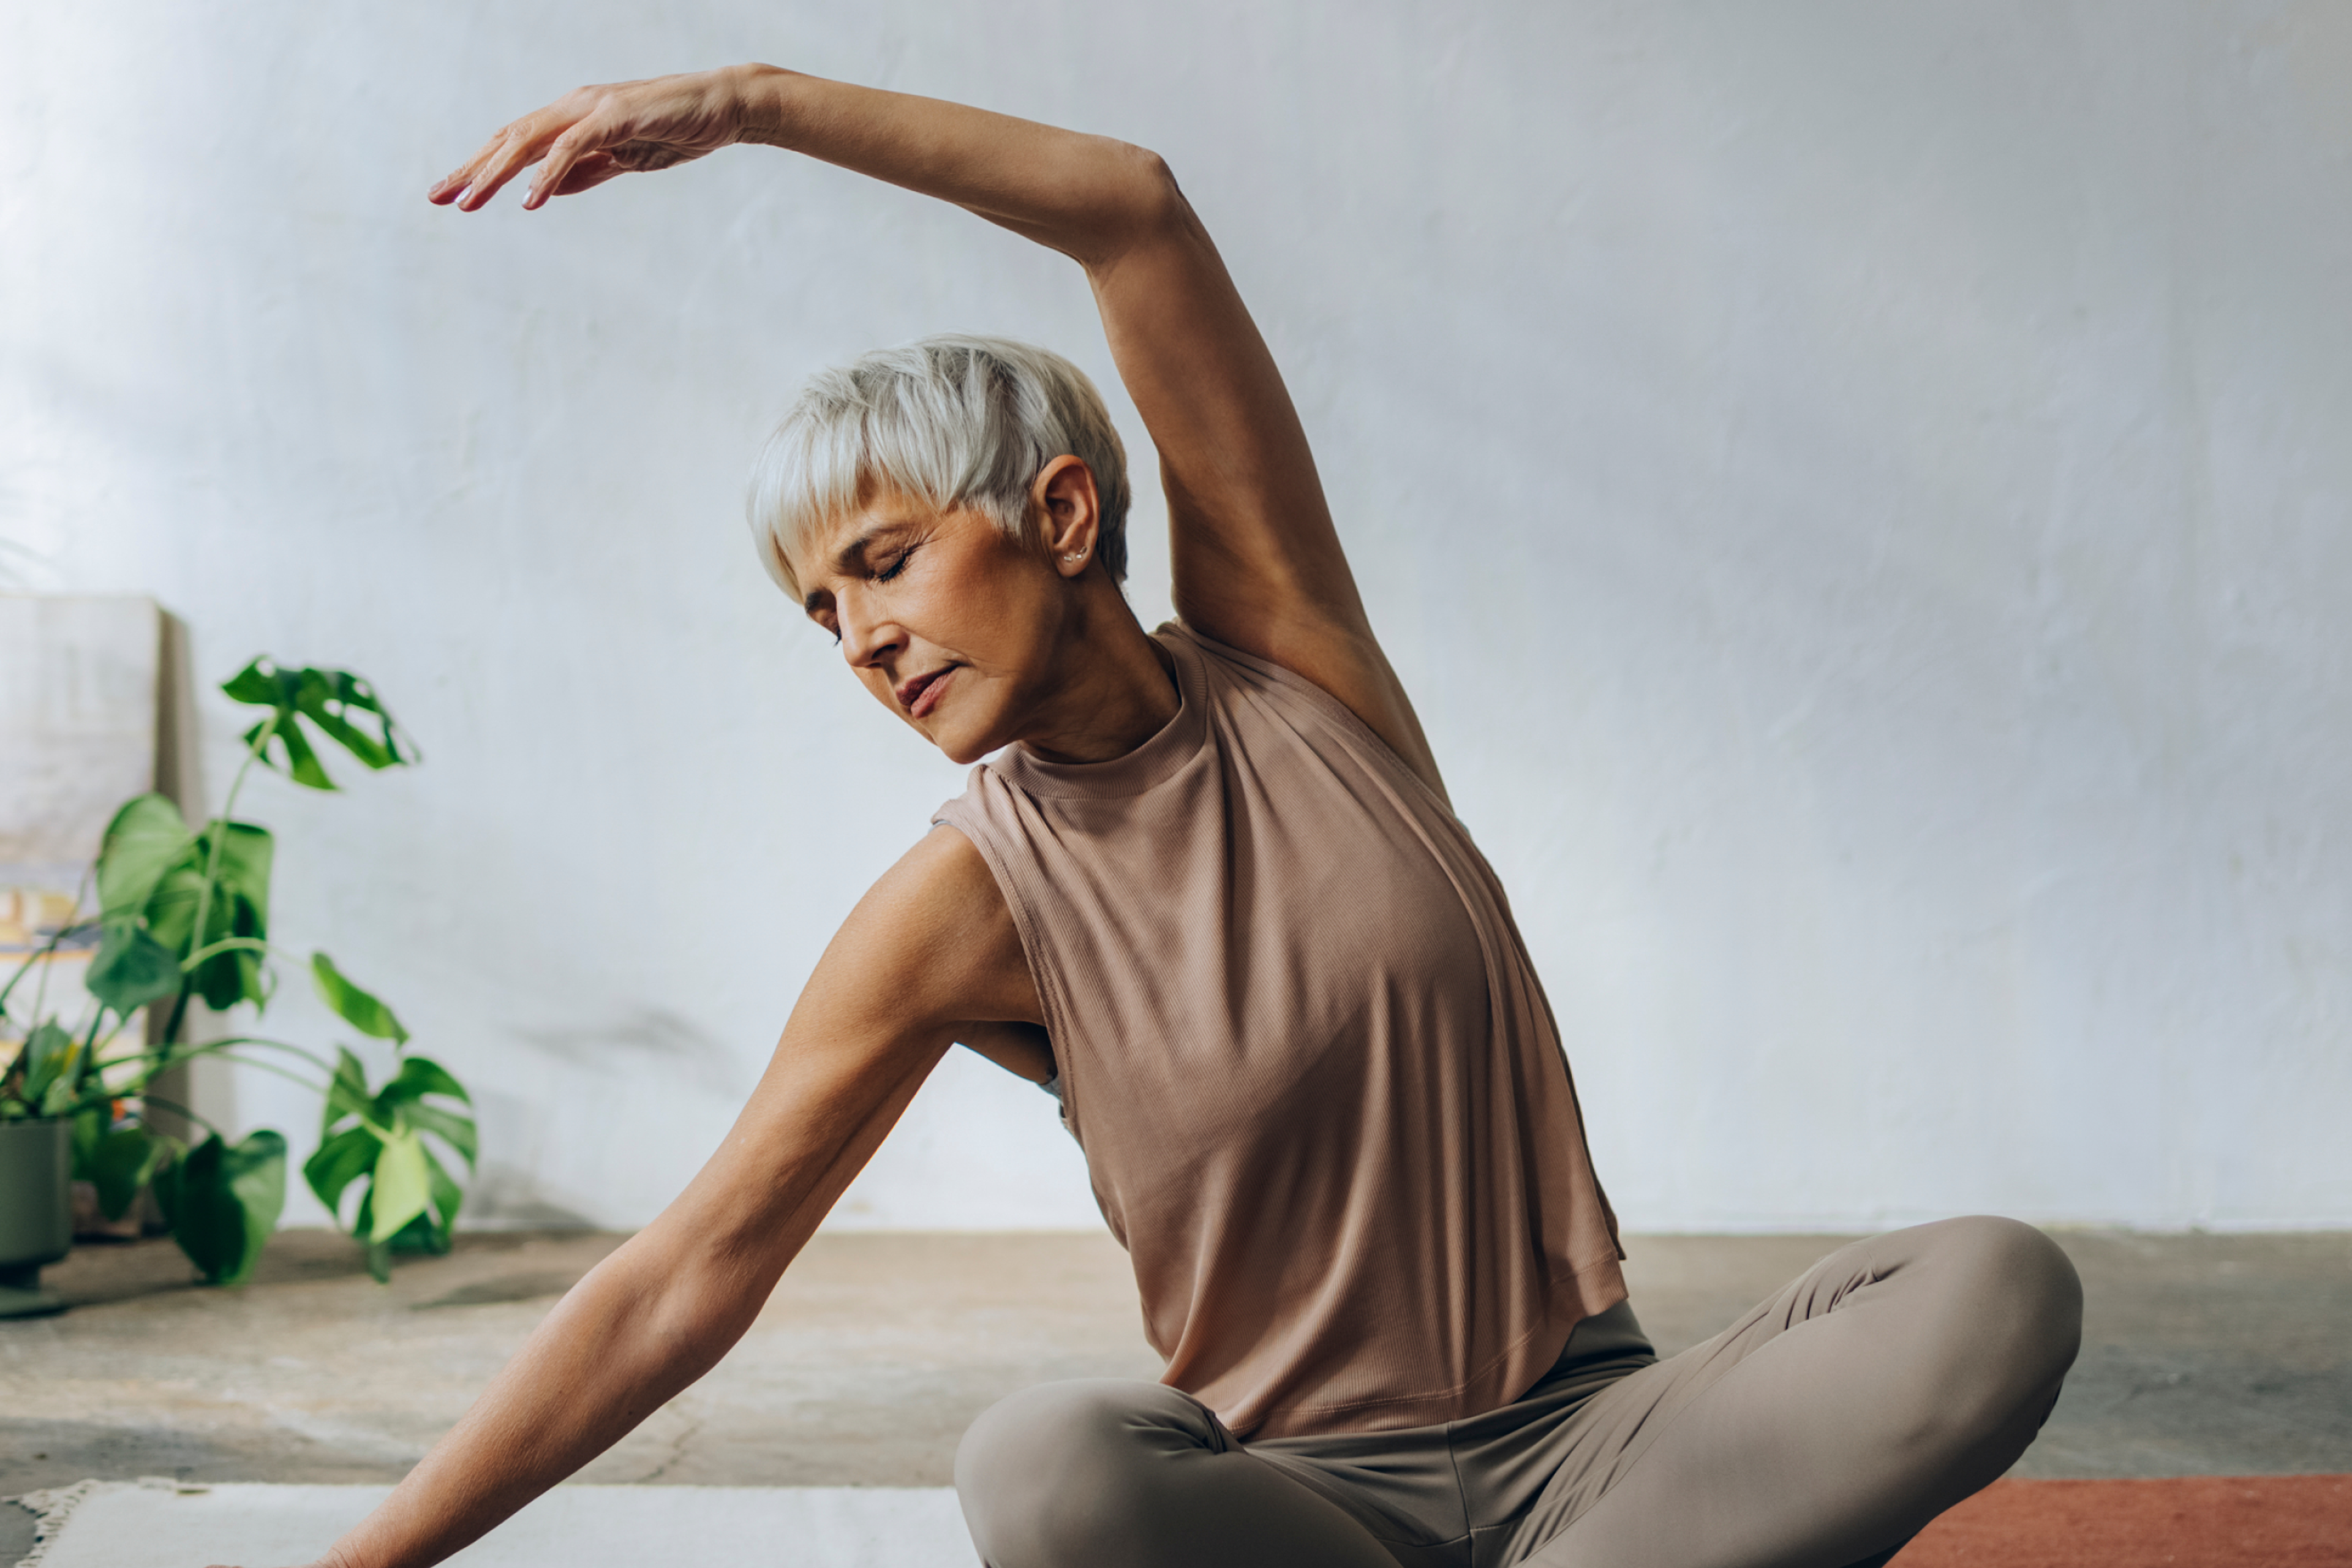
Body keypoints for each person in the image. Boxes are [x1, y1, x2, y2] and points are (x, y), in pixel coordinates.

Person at [236, 63, 2081, 1568]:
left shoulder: (1302, 667)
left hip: (1604, 1454)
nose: (865, 639)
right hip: (1297, 1513)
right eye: (823, 613)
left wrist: (755, 105)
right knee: (1042, 1469)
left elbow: (1129, 206)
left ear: (1056, 514)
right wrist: (364, 1567)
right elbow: (682, 1277)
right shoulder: (963, 905)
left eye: (884, 562)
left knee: (1993, 1290)